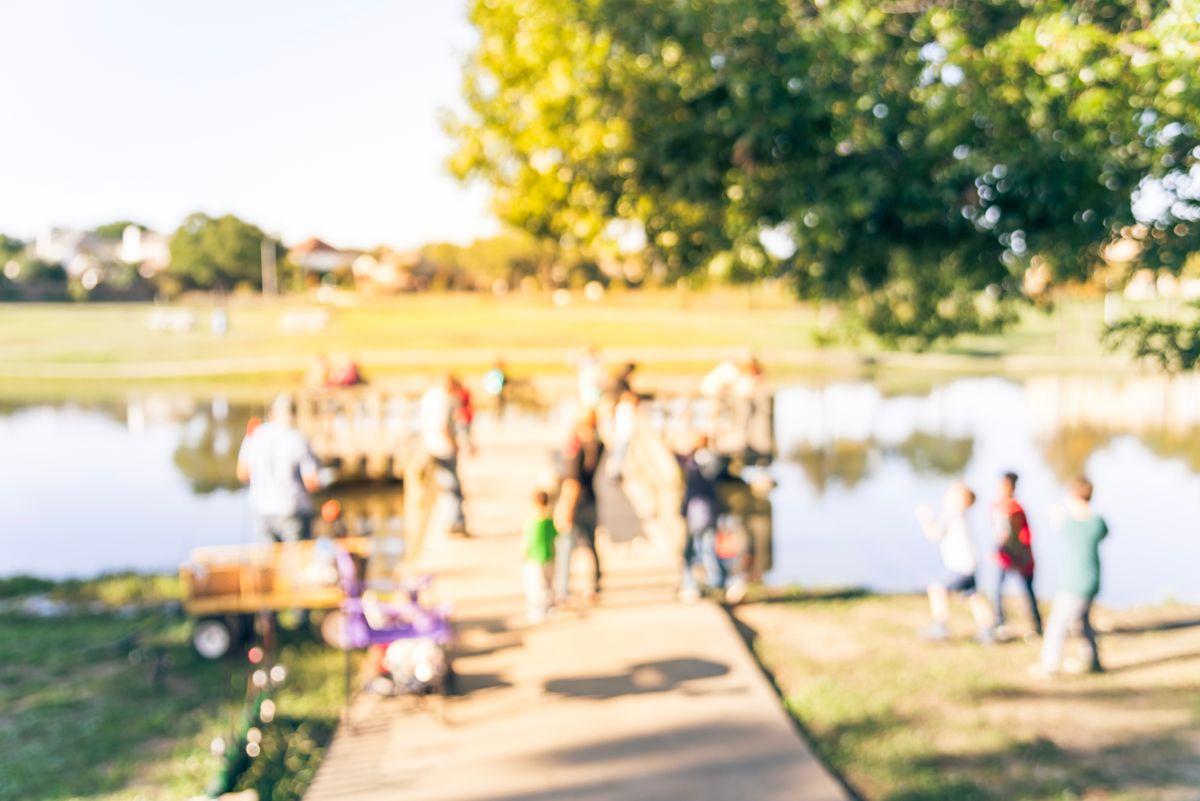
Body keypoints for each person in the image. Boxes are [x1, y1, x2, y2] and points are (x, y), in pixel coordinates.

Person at [1035, 476, 1109, 676]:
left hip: (1074, 582)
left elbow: (1059, 524)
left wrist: (1058, 513)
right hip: (1092, 581)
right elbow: (1103, 532)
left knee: (1057, 624)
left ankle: (1049, 665)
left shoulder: (1069, 523)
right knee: (1082, 622)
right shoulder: (1097, 522)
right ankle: (1093, 661)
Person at [916, 482, 996, 643]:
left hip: (962, 567)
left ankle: (940, 627)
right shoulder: (963, 515)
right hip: (971, 565)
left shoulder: (952, 514)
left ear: (959, 500)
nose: (946, 495)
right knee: (973, 597)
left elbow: (933, 534)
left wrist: (924, 518)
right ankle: (988, 631)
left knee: (936, 588)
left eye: (950, 493)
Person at [236, 393, 321, 543]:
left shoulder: (254, 436)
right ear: (294, 414)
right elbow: (311, 483)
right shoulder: (298, 439)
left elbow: (242, 474)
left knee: (268, 563)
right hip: (293, 510)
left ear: (271, 413)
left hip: (261, 508)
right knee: (296, 562)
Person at [555, 412, 604, 603]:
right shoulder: (598, 446)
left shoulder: (577, 449)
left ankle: (562, 590)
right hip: (591, 500)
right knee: (591, 545)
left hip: (576, 503)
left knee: (566, 546)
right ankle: (593, 584)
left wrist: (565, 509)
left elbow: (572, 482)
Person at [992, 472, 1043, 637]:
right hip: (1005, 556)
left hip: (1020, 556)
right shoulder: (999, 506)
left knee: (1027, 591)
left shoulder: (1014, 508)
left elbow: (1012, 534)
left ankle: (1036, 625)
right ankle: (1000, 623)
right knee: (999, 589)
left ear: (1012, 487)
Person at [677, 434, 727, 602]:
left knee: (694, 551)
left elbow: (691, 491)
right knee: (707, 549)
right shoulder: (713, 462)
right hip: (709, 512)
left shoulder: (694, 464)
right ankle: (717, 581)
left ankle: (693, 584)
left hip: (696, 514)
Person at [420, 374, 468, 536]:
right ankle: (456, 522)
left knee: (445, 485)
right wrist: (455, 445)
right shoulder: (447, 401)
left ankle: (450, 520)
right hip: (444, 448)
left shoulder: (430, 396)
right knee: (452, 486)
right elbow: (444, 428)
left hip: (430, 445)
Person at [523, 490, 558, 623]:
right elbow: (555, 536)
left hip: (536, 558)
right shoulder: (550, 520)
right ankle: (549, 607)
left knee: (537, 585)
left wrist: (524, 553)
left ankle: (539, 610)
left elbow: (529, 541)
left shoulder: (533, 522)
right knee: (548, 584)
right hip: (549, 556)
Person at [606, 389, 638, 480]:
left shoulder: (620, 407)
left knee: (619, 454)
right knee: (620, 454)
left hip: (621, 436)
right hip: (624, 436)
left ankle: (615, 472)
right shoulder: (626, 407)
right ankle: (615, 472)